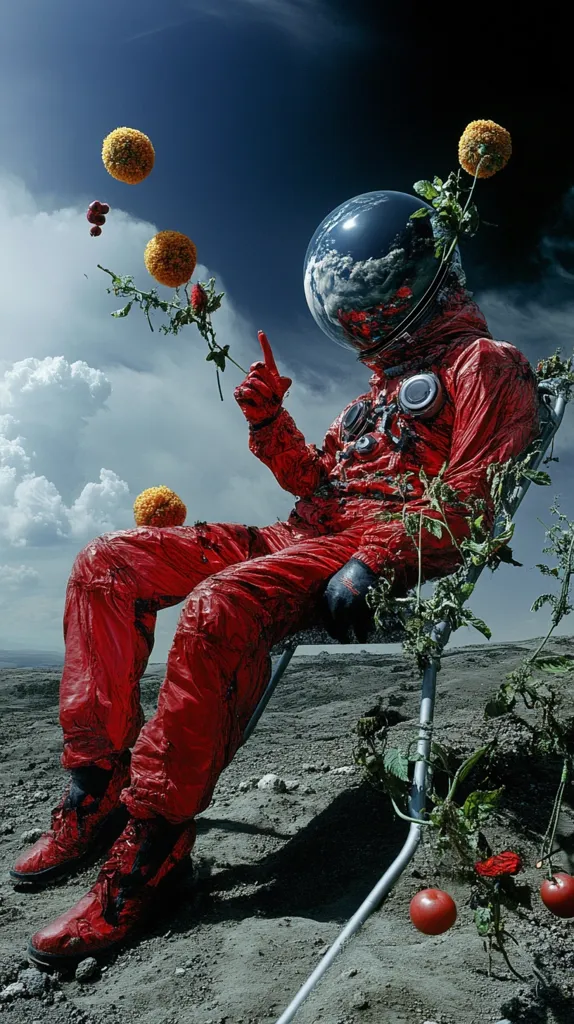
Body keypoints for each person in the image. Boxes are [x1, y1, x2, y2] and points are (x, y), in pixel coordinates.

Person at [12, 190, 540, 967]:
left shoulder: (483, 364)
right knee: (107, 563)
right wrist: (270, 424)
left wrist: (380, 559)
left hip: (366, 548)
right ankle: (93, 792)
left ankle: (152, 858)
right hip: (311, 535)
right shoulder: (373, 397)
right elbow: (317, 488)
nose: (356, 306)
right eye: (346, 292)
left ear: (422, 276)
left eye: (371, 286)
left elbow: (474, 499)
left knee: (220, 605)